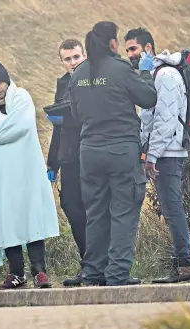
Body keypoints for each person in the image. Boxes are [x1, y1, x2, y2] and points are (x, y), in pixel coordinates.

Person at [68, 21, 157, 287]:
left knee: (95, 213)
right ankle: (117, 274)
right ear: (113, 43)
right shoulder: (120, 69)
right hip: (121, 150)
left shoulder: (78, 73)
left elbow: (75, 114)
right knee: (123, 211)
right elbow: (148, 98)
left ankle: (93, 272)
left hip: (89, 152)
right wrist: (145, 73)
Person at [0, 61, 60, 289]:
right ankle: (16, 273)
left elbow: (20, 126)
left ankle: (39, 271)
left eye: (0, 81)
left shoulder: (22, 97)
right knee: (7, 219)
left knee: (30, 215)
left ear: (7, 80)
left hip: (26, 172)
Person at [124, 27, 190, 283]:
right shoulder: (153, 75)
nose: (130, 54)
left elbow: (165, 121)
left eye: (133, 48)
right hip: (163, 150)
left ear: (148, 49)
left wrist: (152, 156)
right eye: (127, 50)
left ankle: (185, 265)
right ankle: (182, 263)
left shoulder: (165, 75)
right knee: (170, 206)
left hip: (169, 152)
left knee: (173, 207)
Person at [45, 39, 88, 287]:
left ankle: (98, 265)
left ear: (84, 55)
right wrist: (53, 164)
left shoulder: (92, 80)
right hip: (68, 156)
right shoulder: (62, 83)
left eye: (76, 57)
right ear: (61, 61)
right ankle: (87, 262)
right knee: (71, 207)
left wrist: (65, 119)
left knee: (92, 209)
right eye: (67, 59)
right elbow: (57, 127)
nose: (72, 63)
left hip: (90, 153)